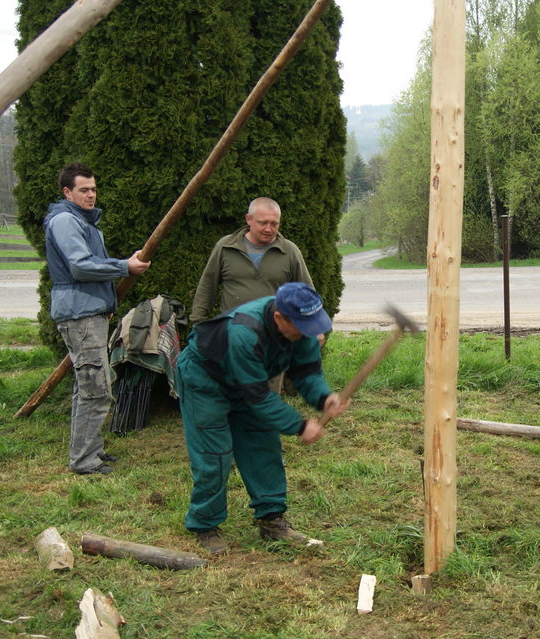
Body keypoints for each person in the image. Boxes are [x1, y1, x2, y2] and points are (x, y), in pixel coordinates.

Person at [177, 282, 347, 554]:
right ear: (279, 317)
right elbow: (258, 397)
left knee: (264, 445)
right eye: (304, 327)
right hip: (205, 379)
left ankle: (271, 521)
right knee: (214, 454)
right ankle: (205, 525)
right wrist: (300, 425)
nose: (310, 332)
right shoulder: (245, 332)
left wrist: (323, 398)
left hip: (247, 381)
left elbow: (306, 371)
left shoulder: (301, 327)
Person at [44, 162, 151, 475]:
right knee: (96, 388)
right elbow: (80, 266)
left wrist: (108, 296)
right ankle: (84, 461)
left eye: (93, 189)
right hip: (80, 315)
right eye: (84, 190)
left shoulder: (82, 221)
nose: (91, 195)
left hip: (89, 312)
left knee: (87, 386)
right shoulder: (65, 221)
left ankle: (90, 450)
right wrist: (124, 267)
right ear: (67, 192)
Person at [189, 197, 314, 325]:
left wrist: (312, 327)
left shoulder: (289, 251)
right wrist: (198, 323)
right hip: (232, 330)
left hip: (273, 332)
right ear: (248, 219)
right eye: (263, 223)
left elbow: (307, 293)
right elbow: (207, 286)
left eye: (274, 224)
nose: (268, 229)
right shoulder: (226, 246)